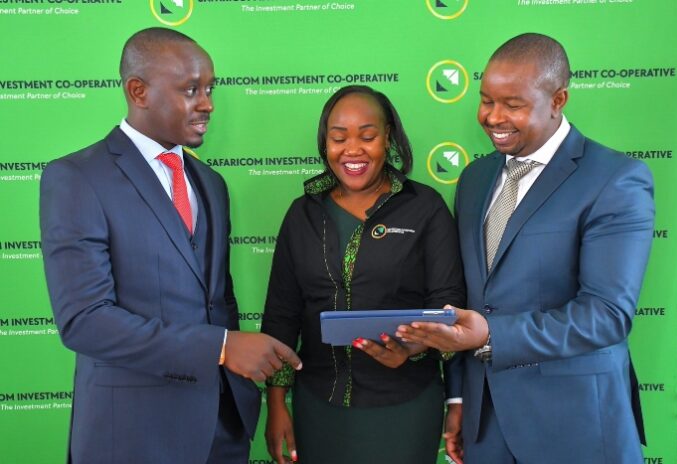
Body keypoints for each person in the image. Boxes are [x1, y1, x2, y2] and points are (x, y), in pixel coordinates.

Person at [39, 27, 301, 464]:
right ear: (138, 91)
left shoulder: (211, 184)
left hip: (221, 430)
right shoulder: (78, 178)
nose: (208, 104)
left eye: (210, 88)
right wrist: (220, 346)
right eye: (191, 89)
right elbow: (84, 321)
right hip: (132, 436)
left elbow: (218, 298)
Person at [397, 33, 654, 464]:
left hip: (576, 426)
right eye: (485, 100)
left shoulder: (615, 179)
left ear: (558, 100)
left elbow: (607, 316)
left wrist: (494, 336)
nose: (493, 117)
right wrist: (458, 400)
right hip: (486, 426)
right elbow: (471, 301)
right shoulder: (475, 179)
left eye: (513, 105)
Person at [260, 85, 466, 464]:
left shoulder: (425, 209)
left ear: (388, 138)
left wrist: (412, 350)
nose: (352, 149)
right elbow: (281, 316)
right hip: (320, 405)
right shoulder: (301, 214)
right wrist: (276, 403)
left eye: (367, 136)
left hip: (406, 405)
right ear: (325, 143)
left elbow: (449, 309)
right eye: (338, 138)